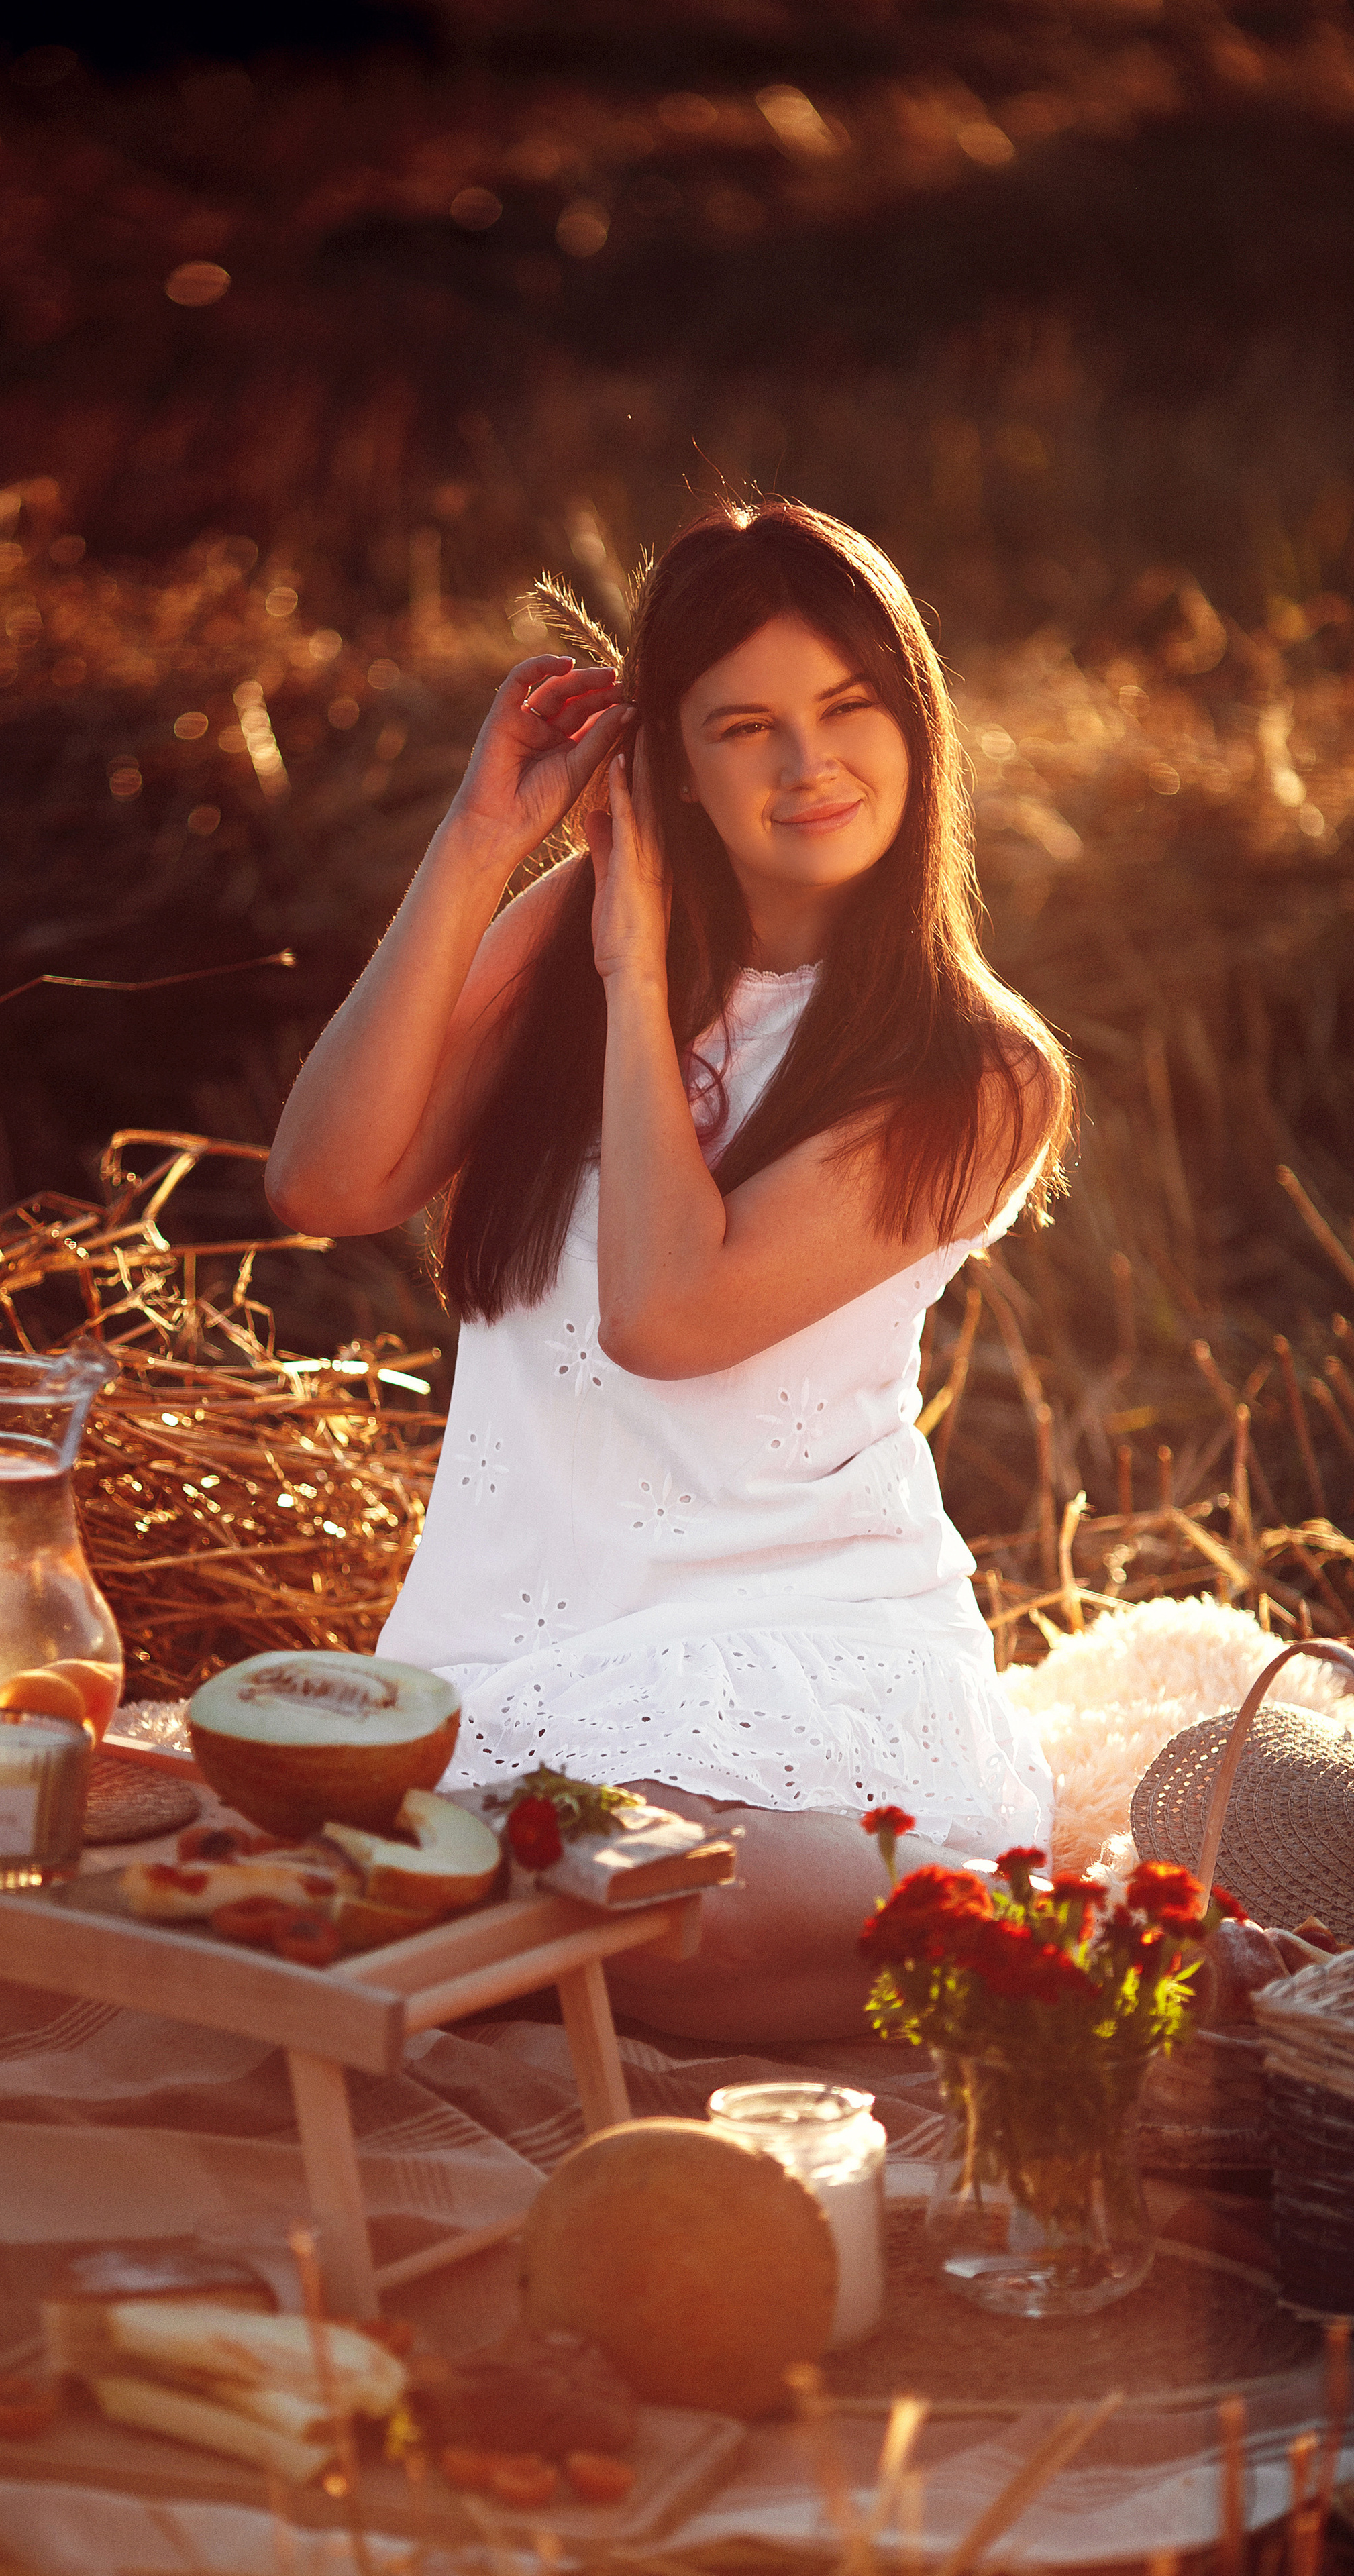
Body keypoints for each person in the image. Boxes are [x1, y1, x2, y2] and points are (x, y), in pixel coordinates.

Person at [265, 499, 1072, 2043]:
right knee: (526, 1872)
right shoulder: (568, 920)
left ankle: (1000, 1920)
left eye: (846, 710)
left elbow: (663, 1317)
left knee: (670, 1900)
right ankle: (522, 1924)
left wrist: (636, 974)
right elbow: (325, 1181)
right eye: (741, 726)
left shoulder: (976, 1074)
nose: (805, 766)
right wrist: (480, 844)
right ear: (668, 763)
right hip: (509, 1666)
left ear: (915, 721)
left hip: (805, 1667)